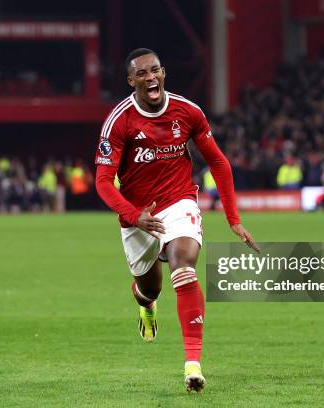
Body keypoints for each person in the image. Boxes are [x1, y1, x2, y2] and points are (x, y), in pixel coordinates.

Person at [94, 48, 260, 393]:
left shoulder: (188, 111)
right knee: (149, 288)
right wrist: (132, 215)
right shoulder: (119, 120)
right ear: (131, 81)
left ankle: (193, 364)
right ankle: (147, 307)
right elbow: (102, 181)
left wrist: (233, 219)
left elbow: (219, 163)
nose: (150, 77)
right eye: (142, 73)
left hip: (178, 200)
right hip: (137, 213)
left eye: (155, 70)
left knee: (183, 265)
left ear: (164, 73)